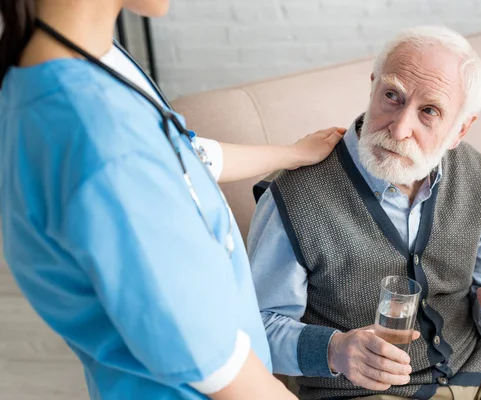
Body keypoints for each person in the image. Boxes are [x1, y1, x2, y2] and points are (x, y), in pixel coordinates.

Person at [0, 1, 346, 399]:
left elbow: (182, 156)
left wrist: (291, 153)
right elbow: (218, 366)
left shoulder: (76, 62)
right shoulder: (103, 140)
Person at [248, 26, 481, 399]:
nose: (400, 129)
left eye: (429, 111)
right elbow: (253, 329)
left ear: (460, 129)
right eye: (392, 96)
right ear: (372, 88)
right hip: (368, 390)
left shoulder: (475, 175)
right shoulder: (293, 196)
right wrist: (334, 350)